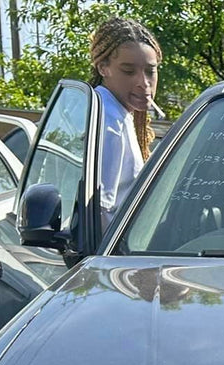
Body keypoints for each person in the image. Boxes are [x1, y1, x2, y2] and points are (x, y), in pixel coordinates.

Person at [88, 17, 161, 224]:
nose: (143, 83)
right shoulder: (110, 123)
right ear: (103, 68)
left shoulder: (99, 106)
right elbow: (101, 210)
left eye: (150, 71)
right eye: (128, 71)